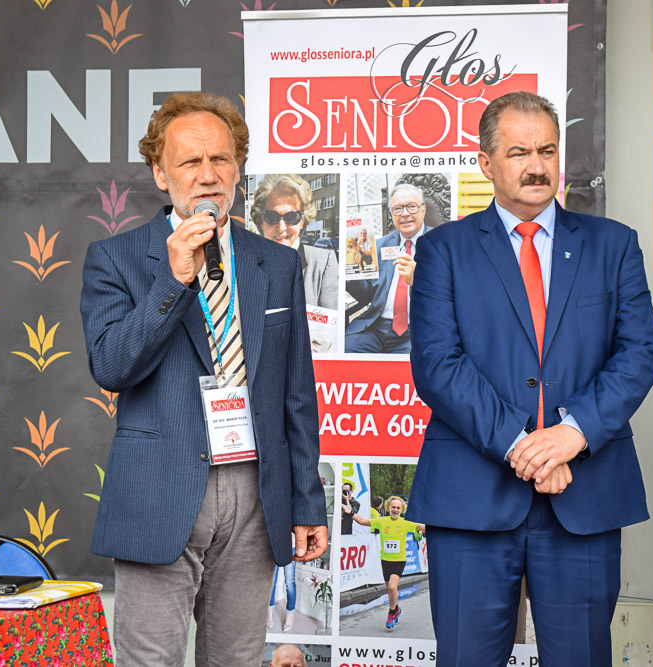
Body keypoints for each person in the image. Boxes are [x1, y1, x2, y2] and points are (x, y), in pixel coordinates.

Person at [406, 91, 653, 666]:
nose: (537, 166)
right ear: (485, 162)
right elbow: (438, 366)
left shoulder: (614, 245)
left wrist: (573, 434)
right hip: (471, 499)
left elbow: (637, 354)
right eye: (518, 152)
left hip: (584, 494)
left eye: (547, 150)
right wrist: (525, 447)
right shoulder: (442, 250)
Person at [80, 91, 328, 666]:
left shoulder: (277, 262)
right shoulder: (115, 258)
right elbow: (112, 367)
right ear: (160, 174)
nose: (208, 174)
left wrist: (307, 500)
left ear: (239, 170)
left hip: (255, 493)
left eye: (220, 159)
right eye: (190, 161)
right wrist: (174, 280)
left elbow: (296, 393)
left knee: (235, 659)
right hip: (161, 490)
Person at [345, 183, 427, 354]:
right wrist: (351, 273)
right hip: (375, 327)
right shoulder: (379, 245)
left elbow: (449, 295)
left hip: (417, 329)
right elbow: (366, 295)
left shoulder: (440, 243)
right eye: (398, 209)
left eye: (411, 207)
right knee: (347, 349)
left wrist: (416, 281)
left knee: (408, 363)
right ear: (392, 214)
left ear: (423, 209)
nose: (405, 214)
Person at [249, 173, 338, 310]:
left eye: (292, 217)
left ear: (302, 221)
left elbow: (331, 320)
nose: (281, 227)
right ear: (260, 221)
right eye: (272, 216)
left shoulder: (323, 262)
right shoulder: (246, 262)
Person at [344, 495, 425, 630]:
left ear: (402, 509)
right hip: (385, 561)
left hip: (399, 560)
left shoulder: (406, 523)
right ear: (388, 507)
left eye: (398, 508)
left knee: (392, 587)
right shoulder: (381, 521)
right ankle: (396, 608)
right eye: (393, 507)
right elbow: (363, 522)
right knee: (389, 589)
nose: (395, 510)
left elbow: (424, 527)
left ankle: (391, 613)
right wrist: (350, 513)